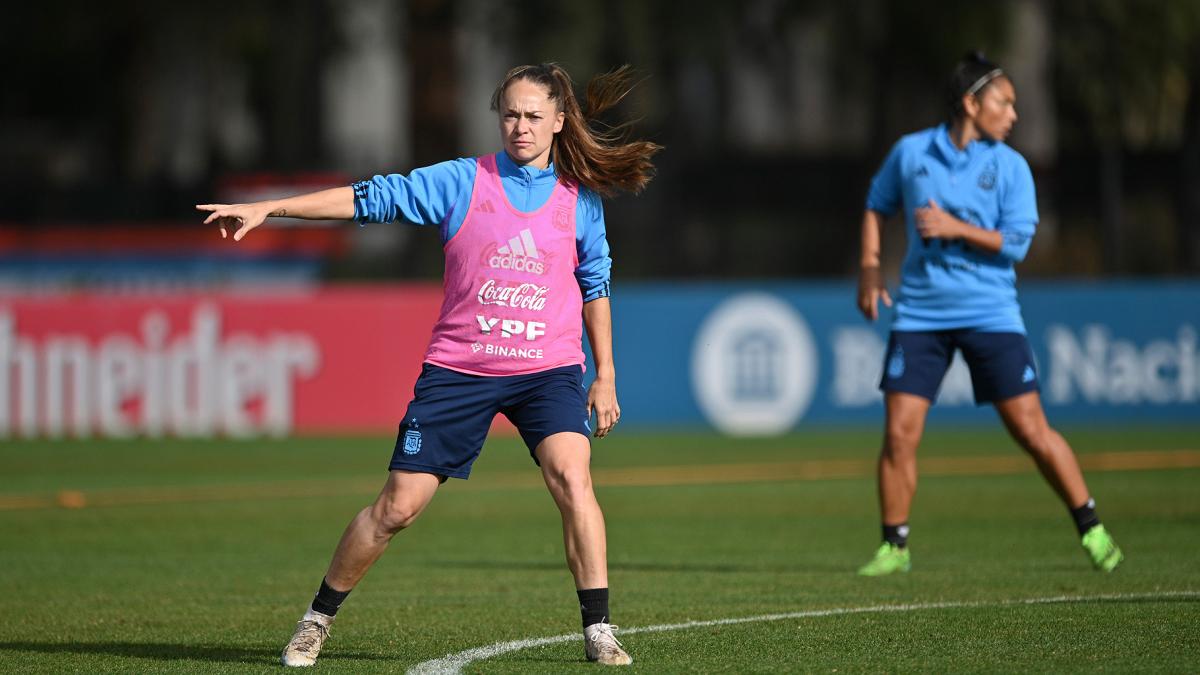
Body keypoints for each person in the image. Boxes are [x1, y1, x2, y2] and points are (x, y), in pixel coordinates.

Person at [198, 63, 660, 666]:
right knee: (397, 507)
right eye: (510, 114)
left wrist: (606, 375)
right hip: (460, 371)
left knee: (574, 479)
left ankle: (599, 628)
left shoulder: (578, 200)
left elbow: (594, 284)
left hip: (546, 370)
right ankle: (317, 619)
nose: (519, 126)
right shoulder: (461, 181)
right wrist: (272, 208)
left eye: (533, 116)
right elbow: (367, 200)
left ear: (559, 121)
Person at [854, 52, 1123, 576]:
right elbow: (876, 203)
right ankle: (894, 546)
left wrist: (955, 228)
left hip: (991, 313)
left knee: (1031, 430)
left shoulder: (1011, 166)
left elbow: (1017, 243)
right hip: (921, 314)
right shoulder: (912, 153)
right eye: (1005, 102)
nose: (1014, 114)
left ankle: (1091, 526)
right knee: (899, 434)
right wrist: (868, 267)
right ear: (972, 103)